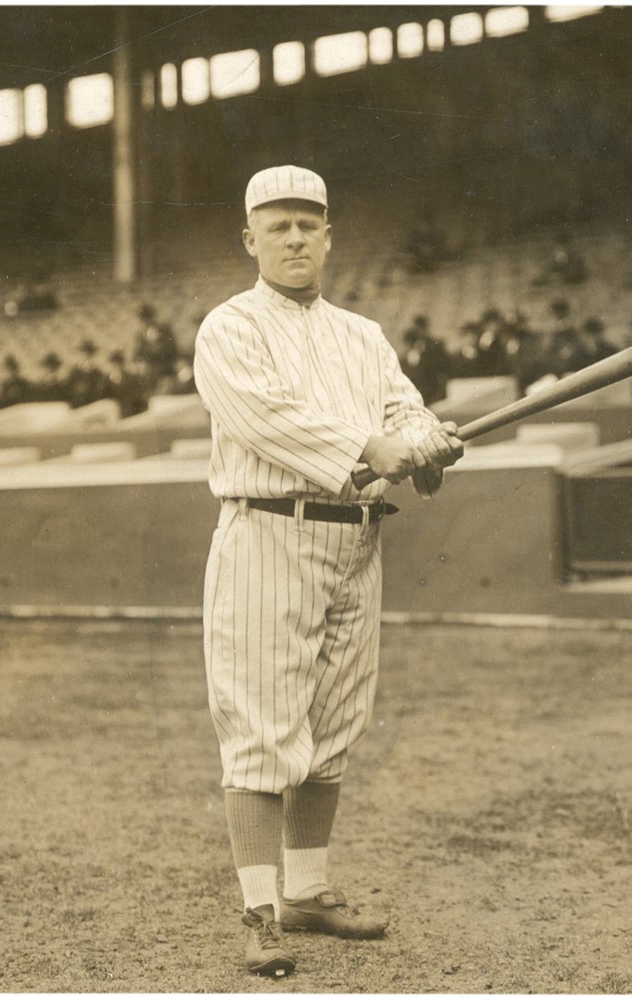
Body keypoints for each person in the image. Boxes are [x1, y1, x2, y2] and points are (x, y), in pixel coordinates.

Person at [192, 165, 463, 978]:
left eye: (310, 224)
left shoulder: (361, 335)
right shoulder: (229, 328)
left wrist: (424, 441)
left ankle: (306, 893)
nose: (297, 237)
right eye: (279, 226)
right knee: (264, 731)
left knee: (335, 725)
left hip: (357, 538)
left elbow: (401, 407)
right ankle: (258, 912)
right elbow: (273, 419)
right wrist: (372, 449)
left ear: (330, 235)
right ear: (251, 239)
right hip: (269, 533)